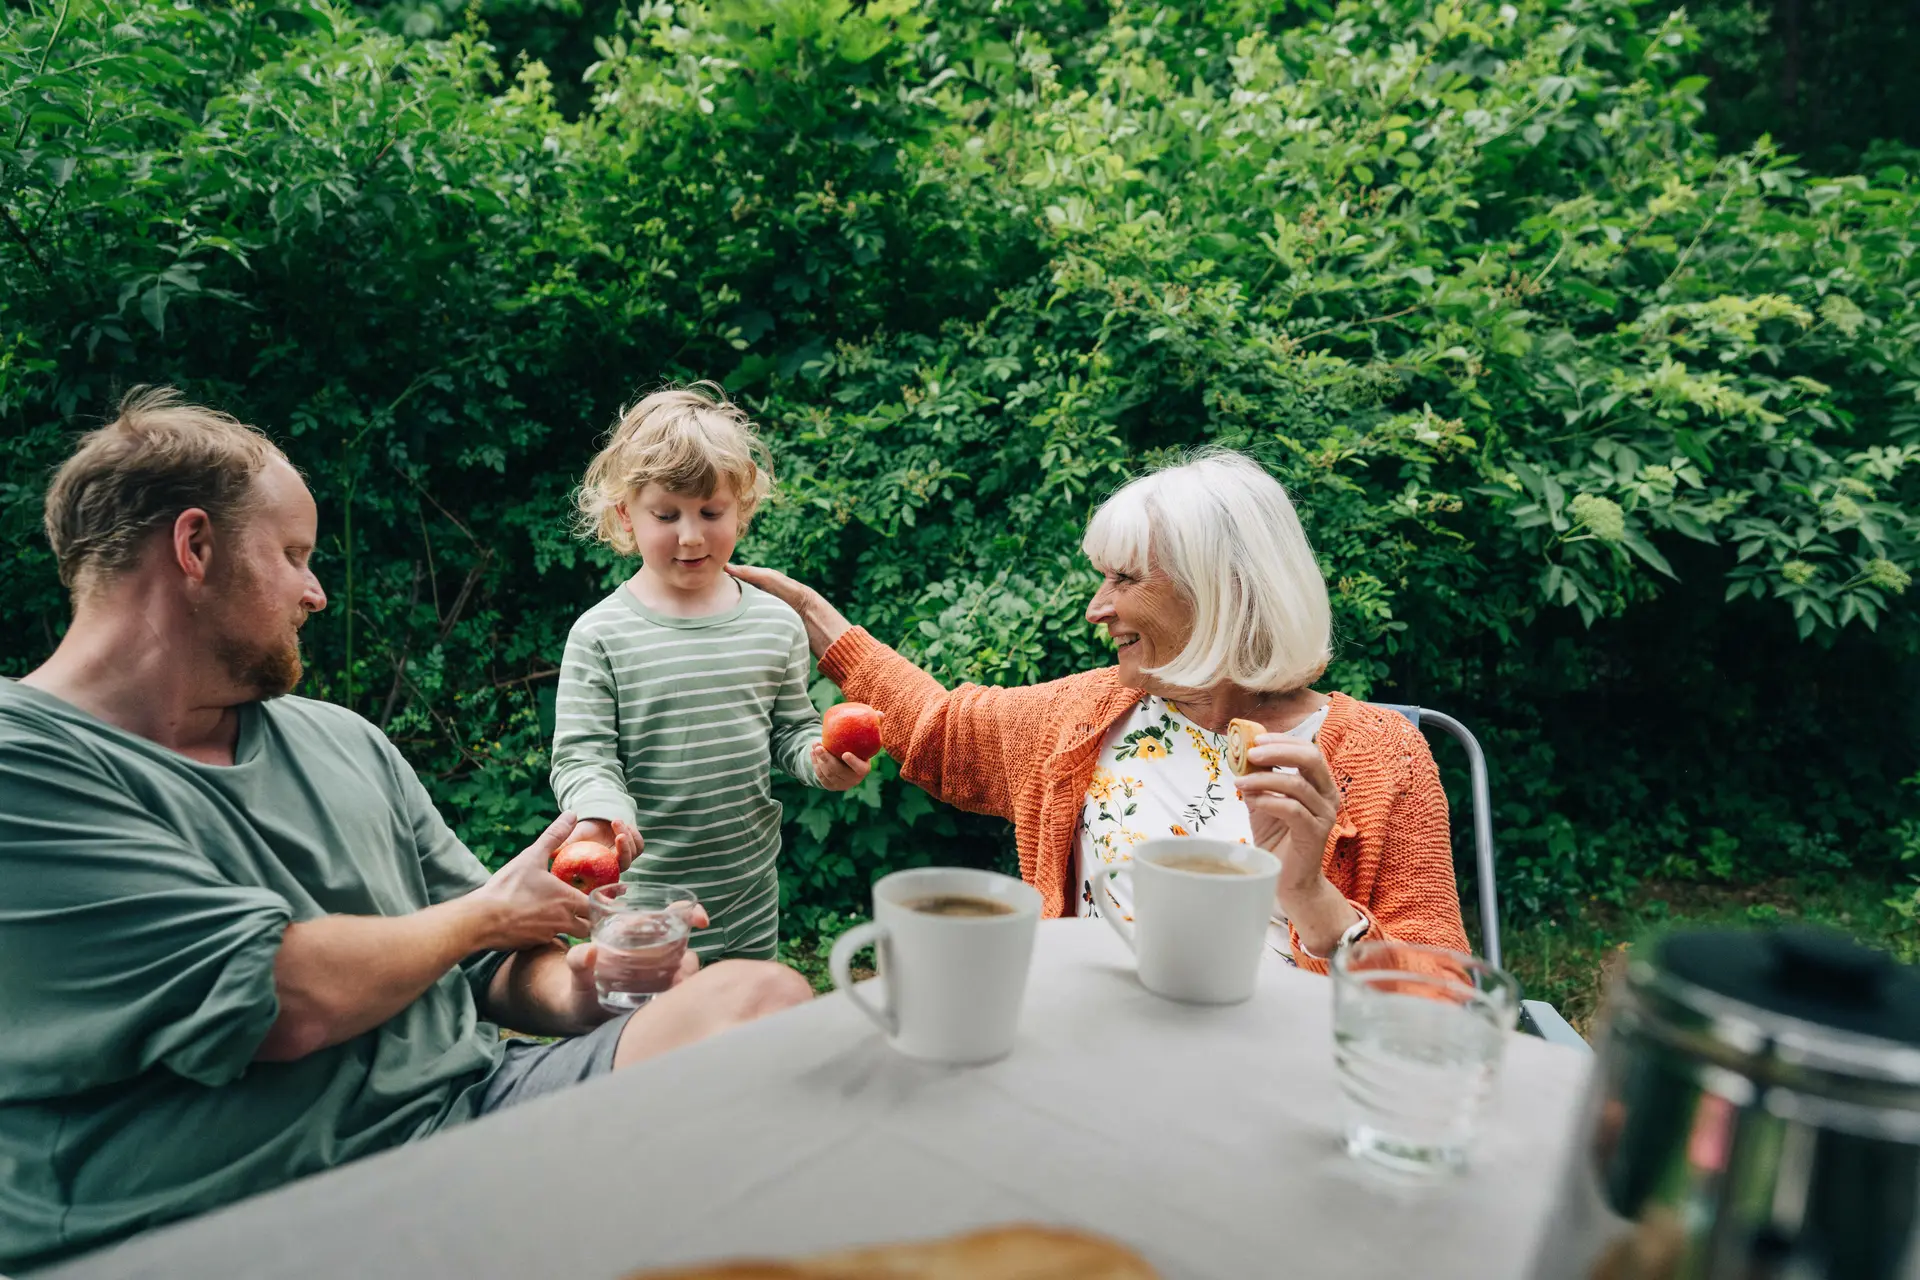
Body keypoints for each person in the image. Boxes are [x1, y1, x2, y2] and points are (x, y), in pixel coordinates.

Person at [0, 388, 813, 1272]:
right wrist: (488, 915)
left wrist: (584, 980)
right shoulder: (27, 765)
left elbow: (491, 968)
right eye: (293, 555)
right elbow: (280, 999)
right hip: (234, 1210)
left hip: (471, 1116)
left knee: (757, 1008)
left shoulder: (343, 741)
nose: (316, 591)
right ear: (195, 546)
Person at [733, 448, 1470, 969]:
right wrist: (816, 619)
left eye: (1124, 579)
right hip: (1090, 1062)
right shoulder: (1089, 715)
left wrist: (1309, 898)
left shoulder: (1380, 754)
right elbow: (939, 731)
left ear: (1216, 591)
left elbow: (1439, 1000)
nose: (1097, 608)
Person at [550, 384, 869, 962]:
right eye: (666, 515)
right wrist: (602, 818)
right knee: (651, 1043)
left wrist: (822, 764)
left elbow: (791, 730)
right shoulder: (599, 635)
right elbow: (582, 756)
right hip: (641, 900)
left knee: (742, 1040)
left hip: (747, 895)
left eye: (711, 512)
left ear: (741, 513)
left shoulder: (775, 623)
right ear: (626, 515)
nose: (691, 535)